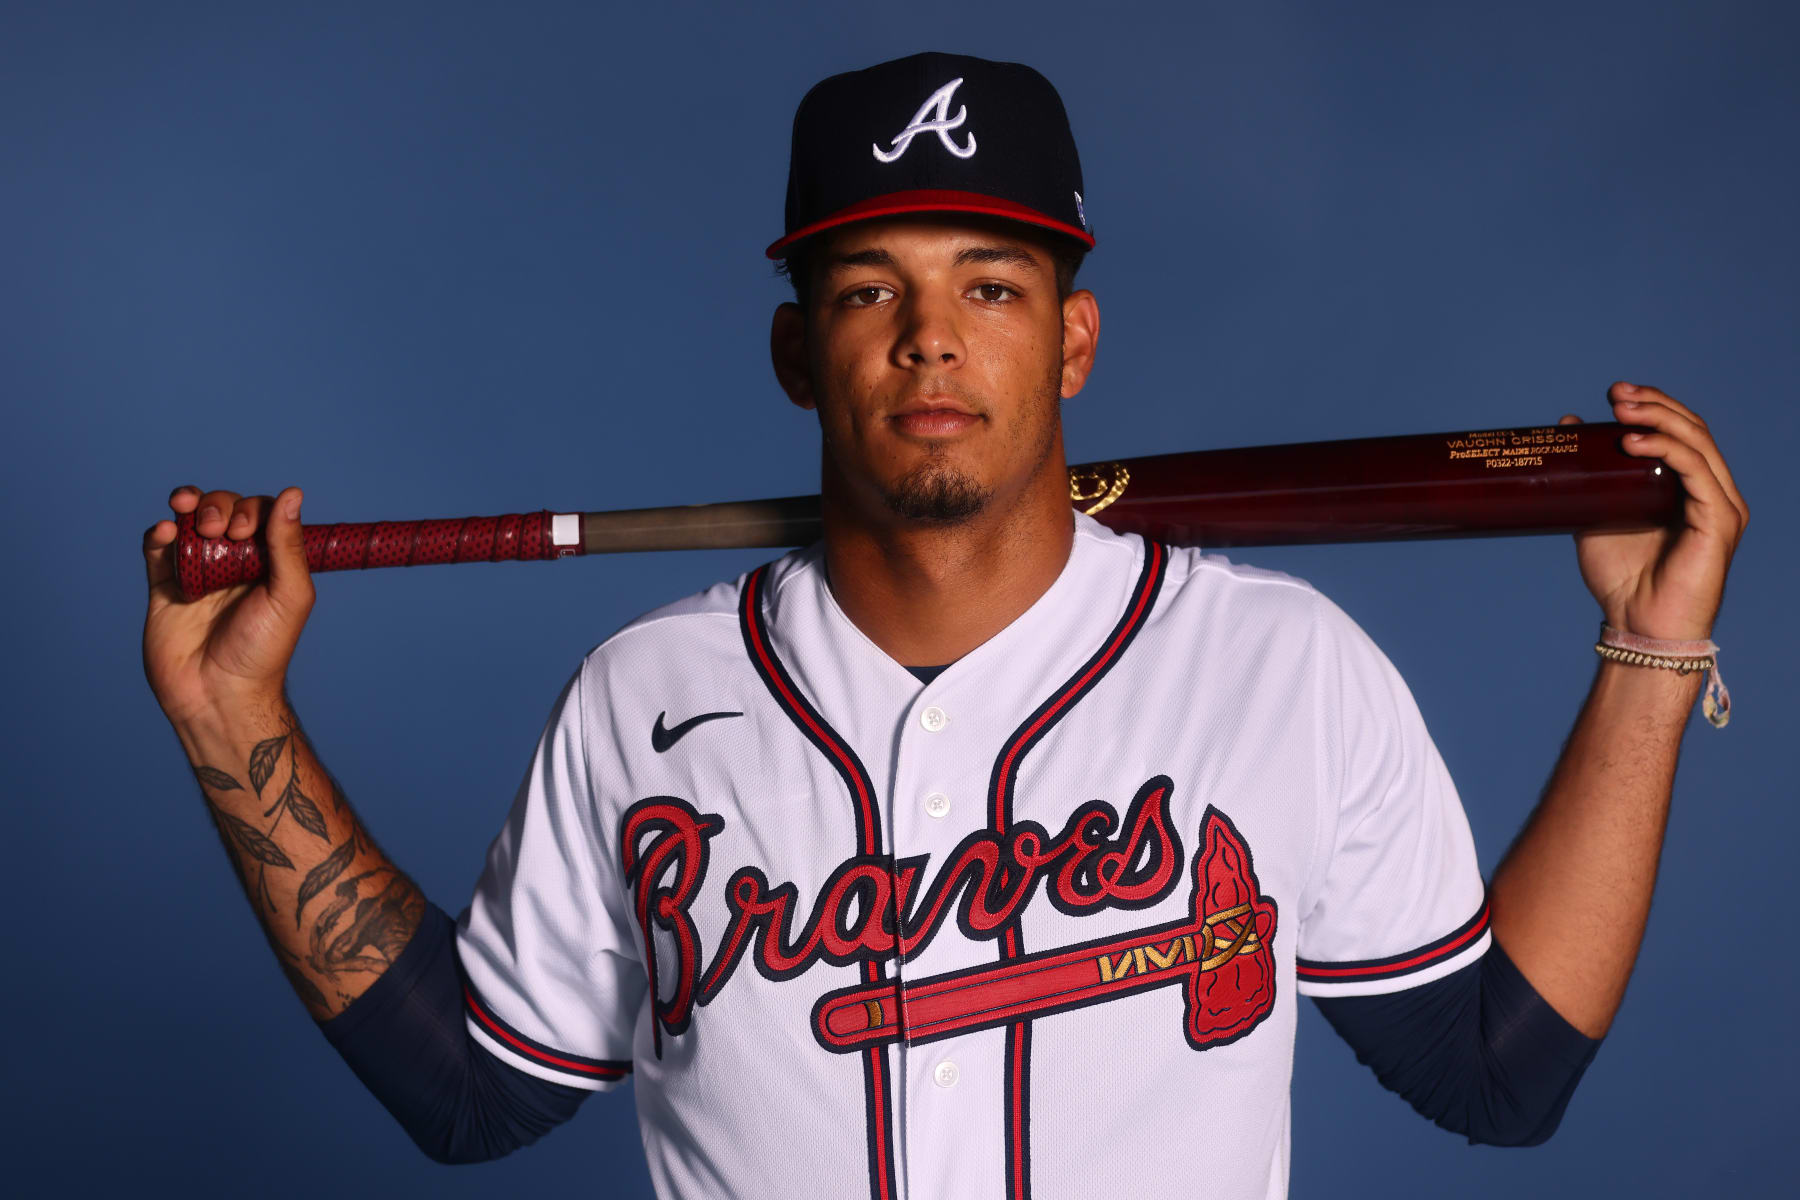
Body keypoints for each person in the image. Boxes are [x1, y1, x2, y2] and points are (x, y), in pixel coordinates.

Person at [142, 52, 1747, 1200]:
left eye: (991, 286)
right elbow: (466, 1090)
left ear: (1074, 343)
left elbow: (1497, 1072)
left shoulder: (1283, 666)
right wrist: (233, 721)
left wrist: (1650, 659)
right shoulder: (647, 697)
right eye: (868, 290)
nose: (929, 341)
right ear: (796, 351)